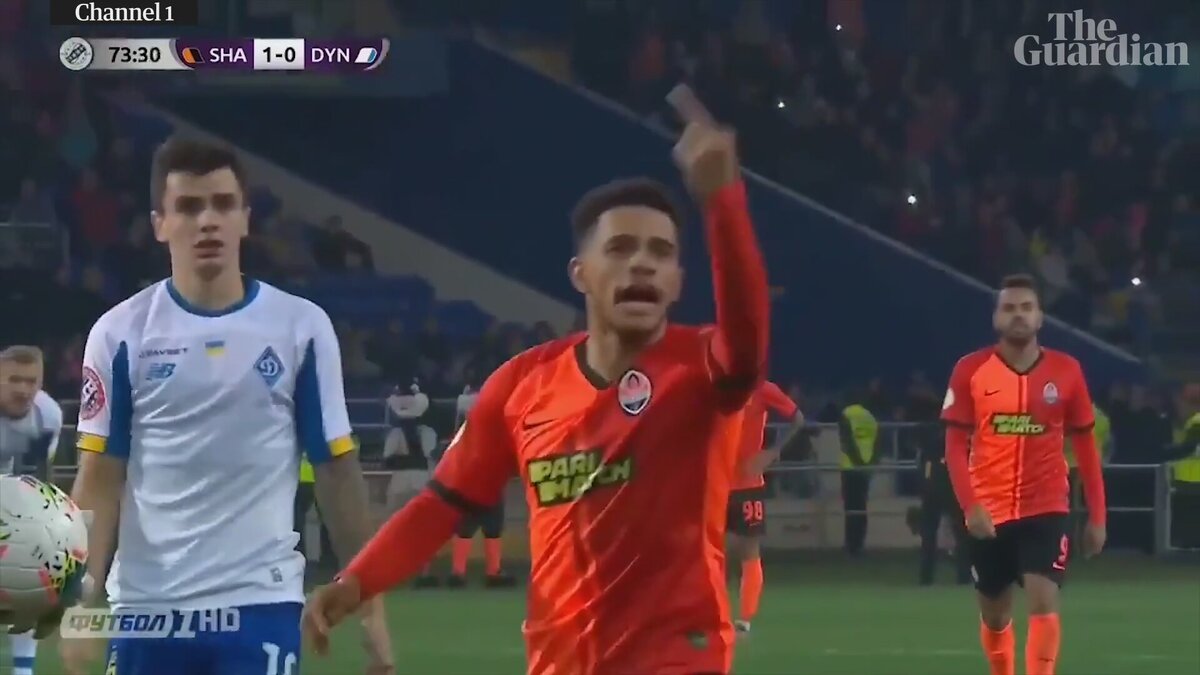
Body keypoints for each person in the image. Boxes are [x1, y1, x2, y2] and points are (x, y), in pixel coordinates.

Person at [303, 86, 769, 674]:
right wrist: (355, 582)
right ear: (580, 273)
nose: (641, 263)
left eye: (660, 252)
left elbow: (747, 339)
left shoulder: (700, 367)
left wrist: (723, 201)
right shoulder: (522, 386)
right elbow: (440, 506)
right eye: (620, 248)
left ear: (677, 282)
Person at [59, 136, 393, 675]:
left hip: (259, 605)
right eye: (189, 207)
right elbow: (99, 477)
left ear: (245, 219)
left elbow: (336, 472)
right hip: (147, 611)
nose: (207, 221)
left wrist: (369, 602)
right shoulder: (119, 334)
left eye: (222, 204)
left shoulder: (301, 328)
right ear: (159, 224)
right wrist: (81, 601)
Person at [941, 274, 1106, 675]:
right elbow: (954, 447)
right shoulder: (970, 369)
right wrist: (970, 506)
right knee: (995, 615)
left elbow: (1086, 445)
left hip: (1046, 505)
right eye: (1010, 308)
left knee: (1043, 599)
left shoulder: (1067, 370)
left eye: (1026, 307)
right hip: (988, 511)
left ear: (1040, 317)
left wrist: (1098, 516)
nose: (1018, 315)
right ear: (996, 317)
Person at [0, 346, 64, 675]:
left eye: (32, 381)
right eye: (14, 380)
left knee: (29, 574)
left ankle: (23, 670)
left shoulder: (47, 415)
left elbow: (38, 479)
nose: (24, 390)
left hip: (11, 484)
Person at [727, 380, 804, 634]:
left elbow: (797, 419)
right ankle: (711, 614)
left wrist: (772, 453)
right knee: (712, 550)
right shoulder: (716, 386)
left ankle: (745, 619)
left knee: (748, 549)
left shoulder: (761, 389)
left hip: (748, 483)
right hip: (716, 481)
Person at [446, 380, 516, 588]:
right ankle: (492, 572)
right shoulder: (495, 428)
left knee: (466, 526)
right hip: (488, 482)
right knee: (491, 527)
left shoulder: (465, 430)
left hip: (469, 482)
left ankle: (458, 572)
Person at [916, 432, 970, 586]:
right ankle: (963, 576)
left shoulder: (930, 443)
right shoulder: (960, 443)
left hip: (933, 488)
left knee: (929, 533)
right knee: (962, 534)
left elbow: (923, 466)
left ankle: (926, 577)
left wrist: (924, 488)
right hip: (953, 488)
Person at [838, 396, 878, 556]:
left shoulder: (846, 414)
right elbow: (878, 442)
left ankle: (851, 545)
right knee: (861, 506)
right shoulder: (870, 417)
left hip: (850, 467)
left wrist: (857, 462)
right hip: (866, 468)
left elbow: (847, 442)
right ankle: (859, 544)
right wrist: (869, 464)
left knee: (850, 508)